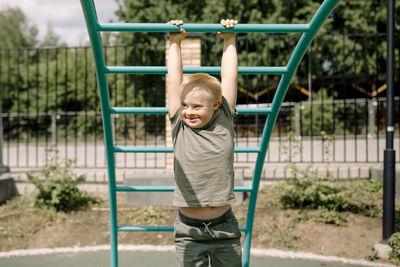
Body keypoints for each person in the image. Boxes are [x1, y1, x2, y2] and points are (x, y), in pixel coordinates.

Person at [167, 19, 241, 267]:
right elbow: (173, 79)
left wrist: (229, 40)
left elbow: (229, 76)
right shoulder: (179, 125)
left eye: (197, 106)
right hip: (189, 232)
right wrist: (174, 43)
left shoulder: (224, 120)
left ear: (216, 105)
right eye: (186, 105)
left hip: (224, 229)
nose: (189, 111)